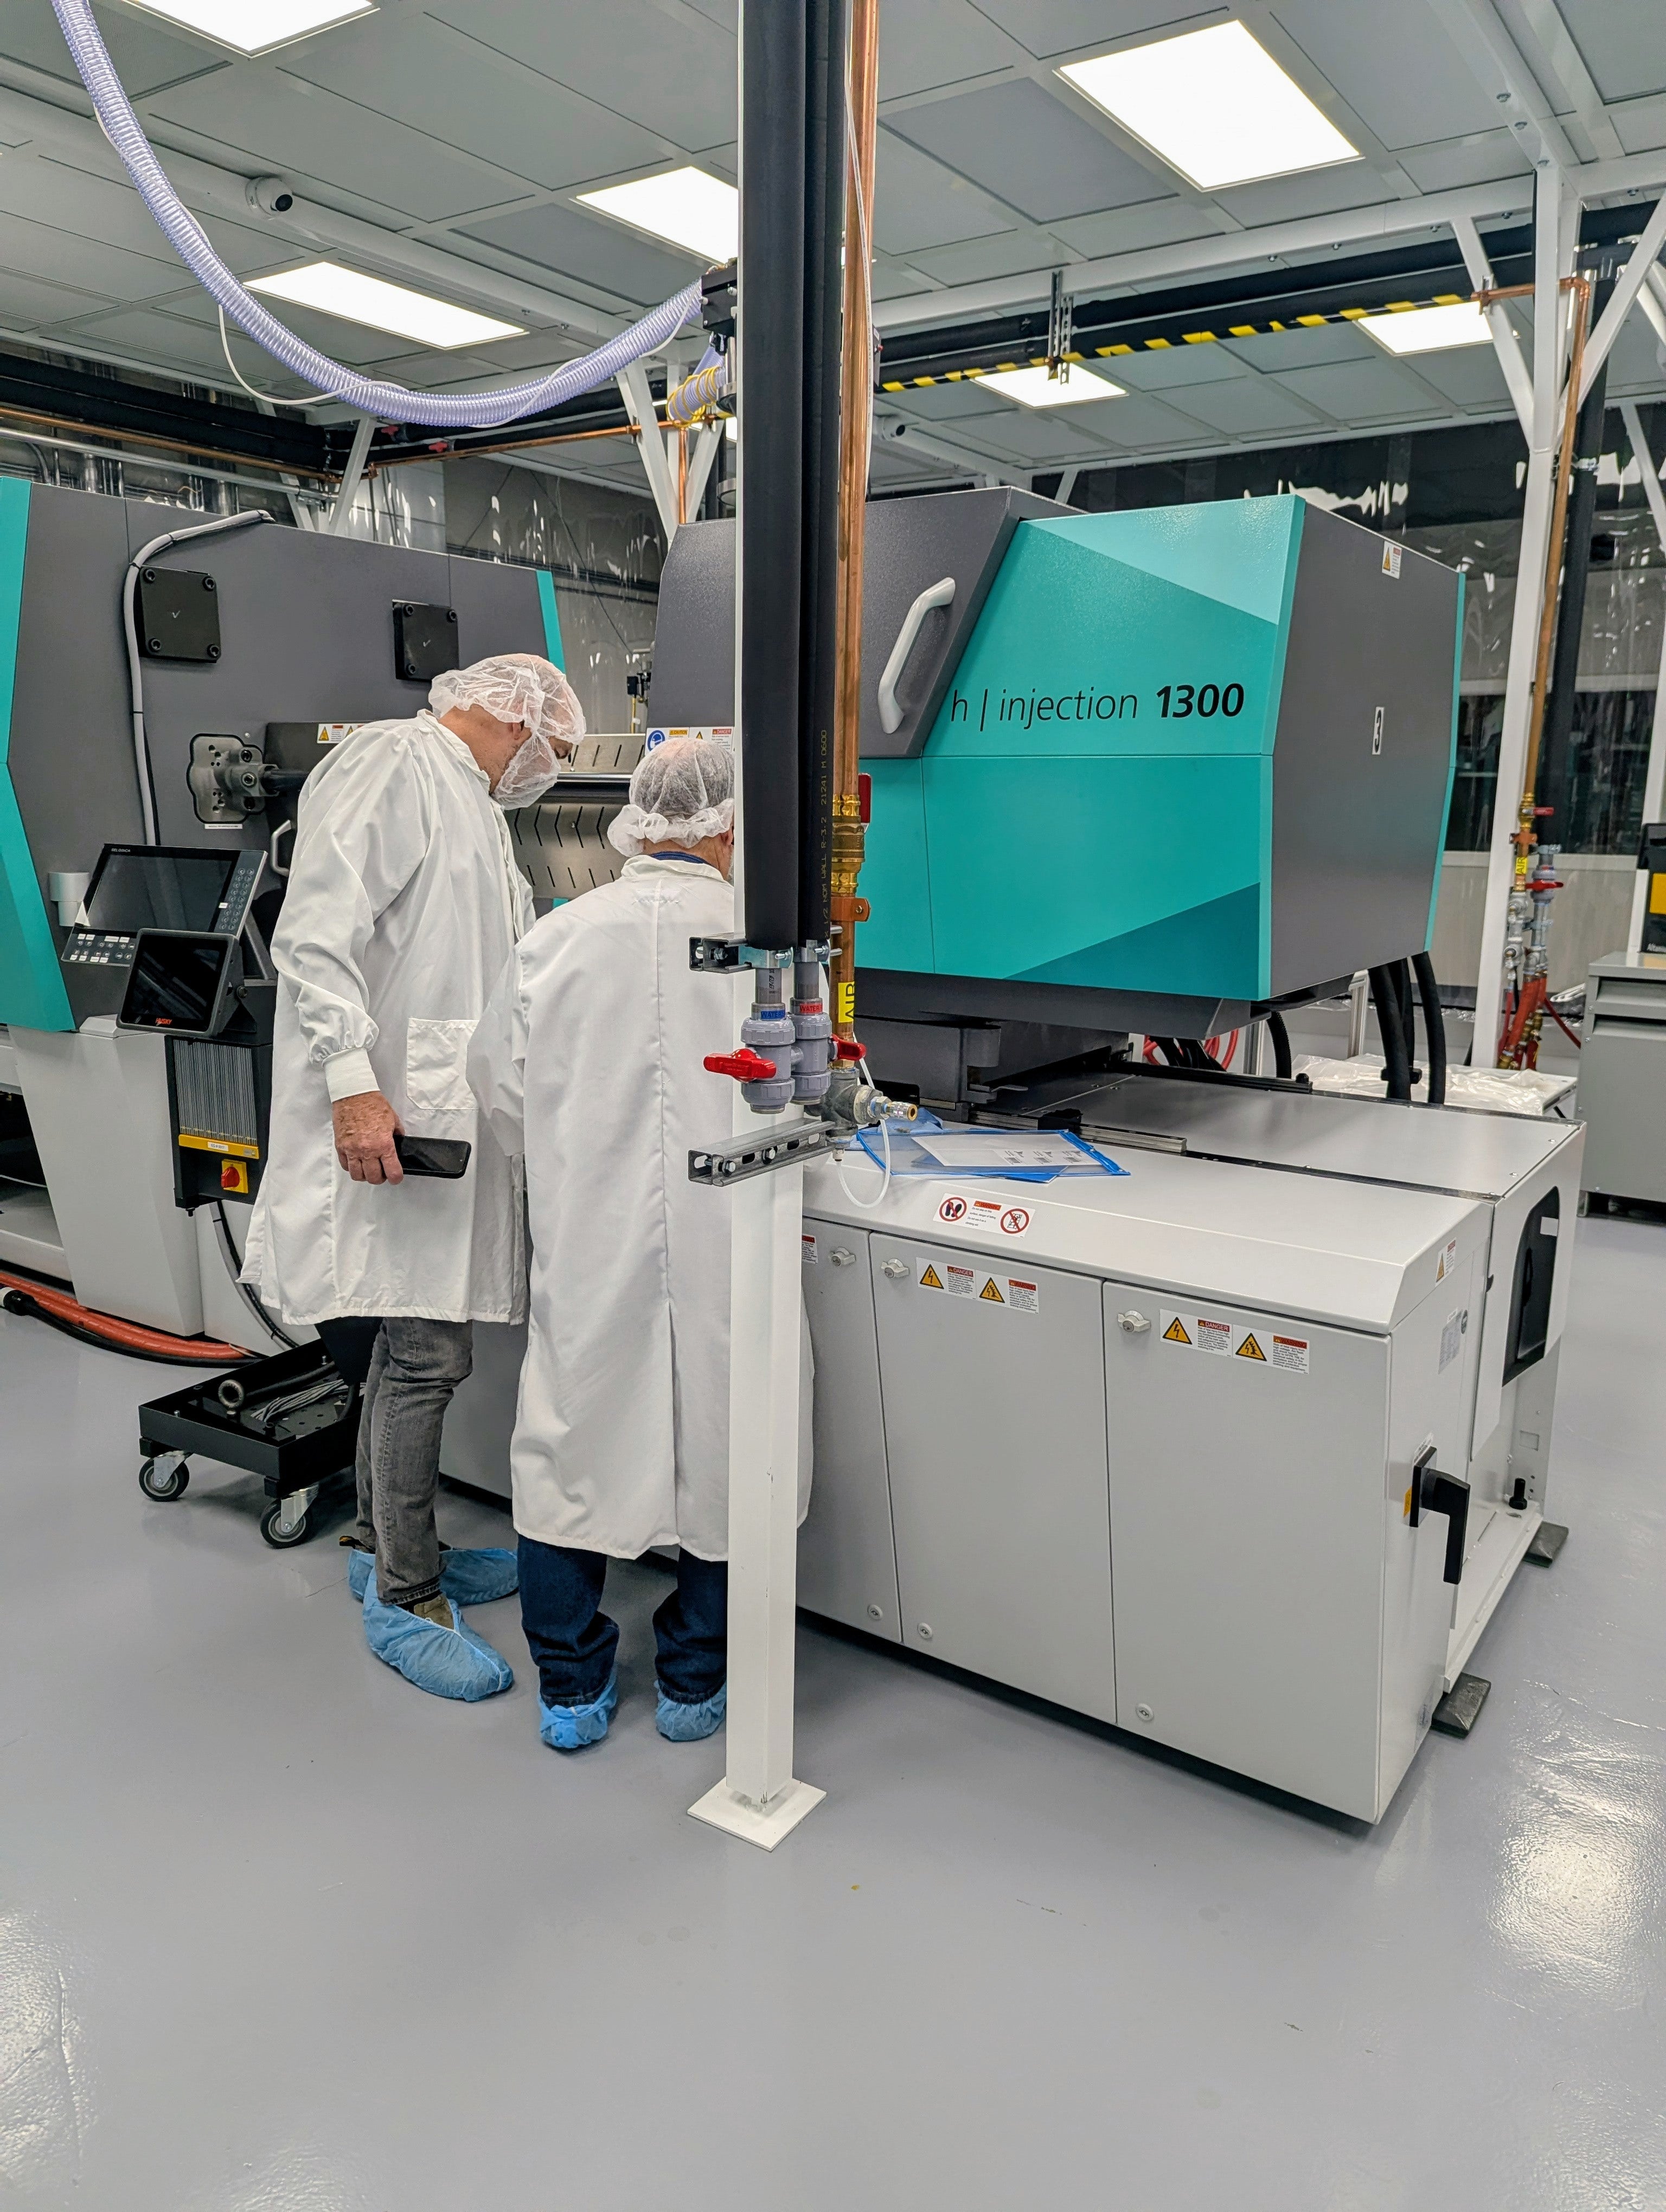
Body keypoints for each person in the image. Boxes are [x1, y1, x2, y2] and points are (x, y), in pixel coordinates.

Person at [242, 652, 584, 1701]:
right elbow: (312, 939)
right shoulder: (396, 764)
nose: (552, 767)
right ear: (508, 713)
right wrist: (351, 1084)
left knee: (411, 1338)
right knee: (426, 1351)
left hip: (442, 1118)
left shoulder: (468, 801)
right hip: (394, 1114)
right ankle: (406, 1589)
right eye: (554, 747)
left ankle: (376, 1538)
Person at [468, 737, 811, 1751]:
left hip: (590, 1229)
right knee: (729, 1436)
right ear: (732, 828)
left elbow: (500, 1087)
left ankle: (571, 1688)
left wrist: (580, 1159)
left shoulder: (559, 939)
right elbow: (808, 1091)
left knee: (571, 1440)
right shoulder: (768, 943)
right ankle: (695, 1683)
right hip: (734, 1230)